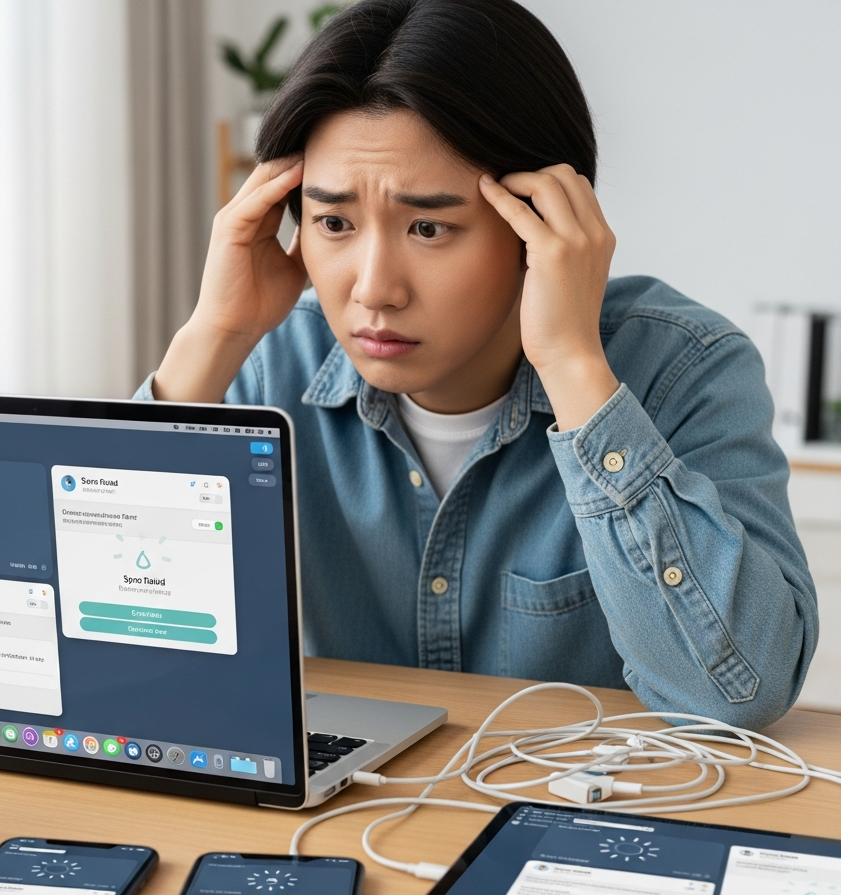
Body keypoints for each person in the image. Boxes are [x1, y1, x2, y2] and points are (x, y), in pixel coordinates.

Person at [135, 0, 817, 729]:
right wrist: (215, 333)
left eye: (429, 227)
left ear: (540, 224)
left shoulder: (684, 370)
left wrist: (573, 365)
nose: (372, 289)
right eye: (334, 223)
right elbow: (116, 647)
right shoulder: (269, 360)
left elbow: (739, 693)